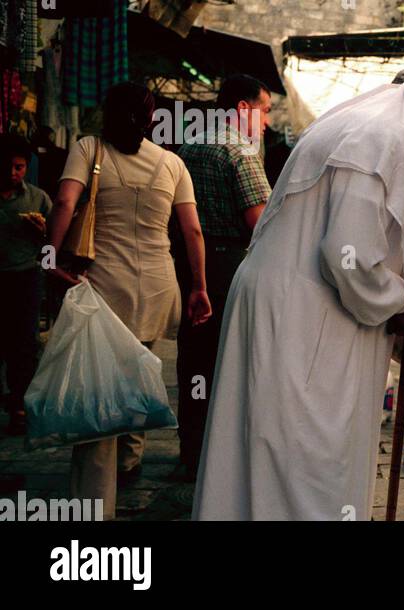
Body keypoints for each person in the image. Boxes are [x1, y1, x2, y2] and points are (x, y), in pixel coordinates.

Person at [192, 65, 404, 521]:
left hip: (301, 304)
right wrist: (402, 304)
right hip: (303, 315)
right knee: (305, 456)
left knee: (281, 449)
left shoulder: (382, 127)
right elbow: (345, 254)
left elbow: (359, 220)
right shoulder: (381, 137)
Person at [45, 82, 212, 520]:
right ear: (152, 117)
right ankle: (130, 460)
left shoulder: (88, 147)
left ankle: (94, 502)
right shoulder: (171, 162)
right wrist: (199, 286)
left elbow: (64, 201)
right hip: (159, 288)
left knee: (99, 385)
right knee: (136, 372)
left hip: (105, 286)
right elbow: (192, 231)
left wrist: (48, 256)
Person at [171, 74, 274, 481]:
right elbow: (259, 222)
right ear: (244, 108)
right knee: (229, 359)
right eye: (264, 112)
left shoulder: (187, 146)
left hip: (187, 262)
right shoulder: (240, 152)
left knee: (193, 358)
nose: (265, 123)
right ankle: (222, 456)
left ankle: (191, 452)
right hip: (228, 264)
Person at [0, 134, 53, 436]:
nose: (12, 174)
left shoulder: (37, 199)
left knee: (23, 345)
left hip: (25, 278)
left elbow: (52, 248)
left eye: (19, 167)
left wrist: (43, 233)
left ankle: (20, 404)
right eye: (7, 167)